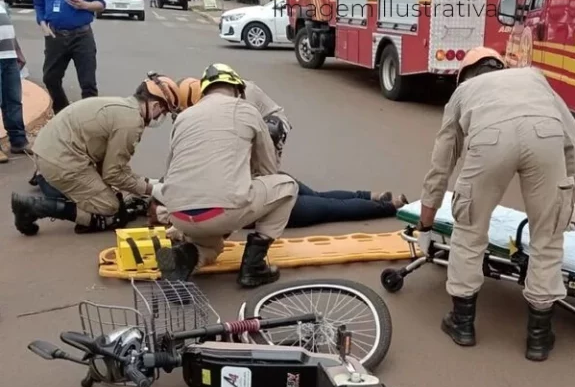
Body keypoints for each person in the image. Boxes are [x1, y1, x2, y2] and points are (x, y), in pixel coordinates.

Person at [417, 47, 575, 361]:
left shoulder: (463, 92)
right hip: (545, 138)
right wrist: (568, 194)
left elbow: (441, 164)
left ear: (465, 75)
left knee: (469, 233)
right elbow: (574, 139)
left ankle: (463, 324)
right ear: (501, 66)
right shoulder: (534, 77)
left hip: (489, 141)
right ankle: (538, 338)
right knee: (547, 239)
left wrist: (426, 225)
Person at [173, 77, 408, 228]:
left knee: (329, 206)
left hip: (257, 197)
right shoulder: (229, 115)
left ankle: (389, 205)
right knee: (323, 199)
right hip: (263, 186)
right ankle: (376, 197)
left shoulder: (202, 127)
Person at [154, 64, 299, 288]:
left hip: (179, 215)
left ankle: (185, 257)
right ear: (238, 88)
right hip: (221, 210)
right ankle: (254, 266)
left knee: (212, 247)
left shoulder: (184, 117)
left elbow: (171, 170)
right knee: (288, 186)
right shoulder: (246, 109)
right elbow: (268, 169)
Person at [10, 74, 180, 235]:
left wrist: (148, 183)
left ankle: (50, 184)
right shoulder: (131, 123)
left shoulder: (123, 107)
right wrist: (151, 189)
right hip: (61, 161)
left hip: (50, 152)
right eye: (164, 111)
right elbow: (113, 173)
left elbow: (108, 163)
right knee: (110, 208)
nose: (161, 116)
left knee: (108, 194)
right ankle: (33, 208)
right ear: (156, 105)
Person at [33, 0, 105, 114]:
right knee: (50, 78)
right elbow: (39, 3)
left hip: (82, 36)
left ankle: (90, 120)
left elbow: (101, 4)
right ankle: (64, 115)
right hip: (54, 36)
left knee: (88, 84)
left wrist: (84, 5)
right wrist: (42, 23)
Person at [0, 1, 30, 163]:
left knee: (13, 100)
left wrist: (17, 50)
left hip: (8, 56)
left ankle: (18, 141)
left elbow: (8, 26)